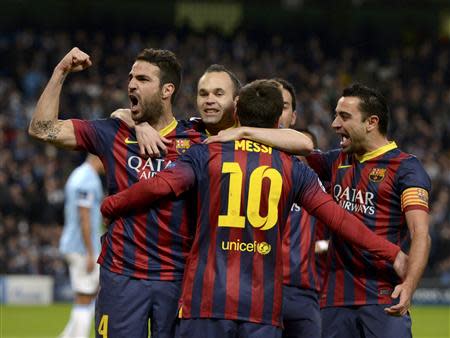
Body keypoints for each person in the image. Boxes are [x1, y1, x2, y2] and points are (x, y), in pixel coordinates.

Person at [101, 80, 407, 338]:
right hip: (261, 308)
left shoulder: (205, 154)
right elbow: (339, 219)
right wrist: (391, 252)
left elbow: (159, 186)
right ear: (278, 122)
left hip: (205, 301)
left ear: (236, 112)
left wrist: (112, 204)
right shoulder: (294, 169)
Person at [29, 46, 204, 338]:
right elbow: (41, 128)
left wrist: (135, 121)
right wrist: (60, 71)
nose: (132, 84)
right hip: (122, 275)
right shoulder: (112, 132)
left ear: (167, 90)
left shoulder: (196, 139)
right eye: (131, 77)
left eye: (143, 79)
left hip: (178, 277)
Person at [306, 83, 431, 338]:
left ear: (371, 122)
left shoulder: (405, 168)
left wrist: (409, 286)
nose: (334, 124)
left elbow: (421, 233)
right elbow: (299, 148)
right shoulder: (335, 161)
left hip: (383, 296)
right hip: (334, 299)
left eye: (344, 116)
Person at [58, 154, 104, 338]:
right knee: (87, 296)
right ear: (97, 156)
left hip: (74, 244)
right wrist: (91, 252)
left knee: (84, 297)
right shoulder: (87, 179)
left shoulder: (78, 174)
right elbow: (84, 217)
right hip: (82, 247)